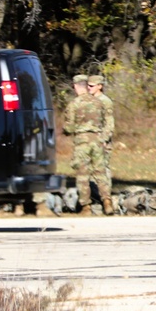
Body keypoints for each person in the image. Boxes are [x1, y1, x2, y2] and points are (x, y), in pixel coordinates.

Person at [63, 74, 112, 215]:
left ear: (76, 86)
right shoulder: (99, 102)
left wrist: (67, 131)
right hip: (97, 140)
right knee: (100, 172)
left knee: (83, 175)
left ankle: (86, 206)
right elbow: (106, 122)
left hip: (82, 141)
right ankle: (107, 201)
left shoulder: (74, 104)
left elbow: (69, 128)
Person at [87, 74, 114, 210]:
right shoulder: (89, 100)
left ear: (100, 86)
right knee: (91, 170)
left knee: (103, 169)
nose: (88, 88)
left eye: (91, 86)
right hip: (90, 141)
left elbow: (109, 123)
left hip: (102, 141)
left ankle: (106, 199)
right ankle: (95, 197)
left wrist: (104, 139)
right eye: (88, 85)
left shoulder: (105, 101)